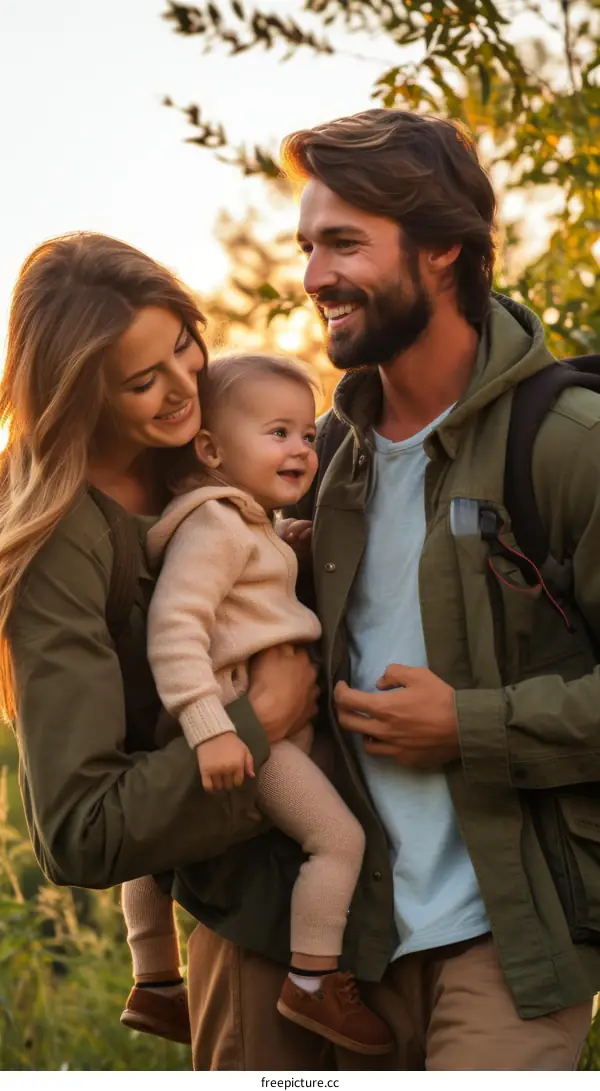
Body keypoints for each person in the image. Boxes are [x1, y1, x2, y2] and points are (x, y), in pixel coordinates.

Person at [184, 110, 599, 1071]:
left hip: (510, 944)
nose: (313, 276)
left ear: (445, 245)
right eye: (306, 245)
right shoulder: (315, 466)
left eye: (343, 243)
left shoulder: (568, 445)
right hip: (335, 953)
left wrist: (474, 724)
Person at [0, 232, 318, 1051]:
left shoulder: (198, 445)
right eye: (145, 381)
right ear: (81, 391)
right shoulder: (59, 537)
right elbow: (80, 828)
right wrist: (261, 721)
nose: (187, 388)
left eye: (185, 345)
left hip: (357, 901)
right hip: (247, 914)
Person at [121, 351, 392, 1055]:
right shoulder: (215, 528)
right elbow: (175, 629)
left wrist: (285, 542)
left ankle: (153, 978)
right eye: (278, 433)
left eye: (306, 433)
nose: (302, 447)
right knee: (338, 839)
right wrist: (214, 727)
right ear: (210, 448)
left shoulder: (242, 524)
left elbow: (246, 592)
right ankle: (312, 978)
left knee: (158, 849)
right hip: (249, 731)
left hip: (241, 724)